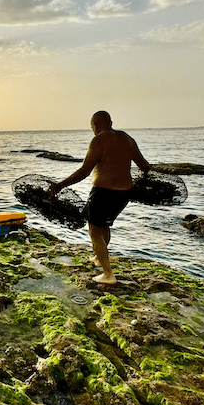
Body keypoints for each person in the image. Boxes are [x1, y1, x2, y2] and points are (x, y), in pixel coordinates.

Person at [50, 111, 151, 285]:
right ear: (111, 122)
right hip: (124, 194)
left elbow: (84, 171)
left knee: (95, 231)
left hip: (103, 192)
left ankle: (107, 274)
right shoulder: (127, 139)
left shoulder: (98, 140)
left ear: (95, 126)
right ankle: (99, 257)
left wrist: (60, 185)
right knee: (104, 225)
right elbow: (144, 166)